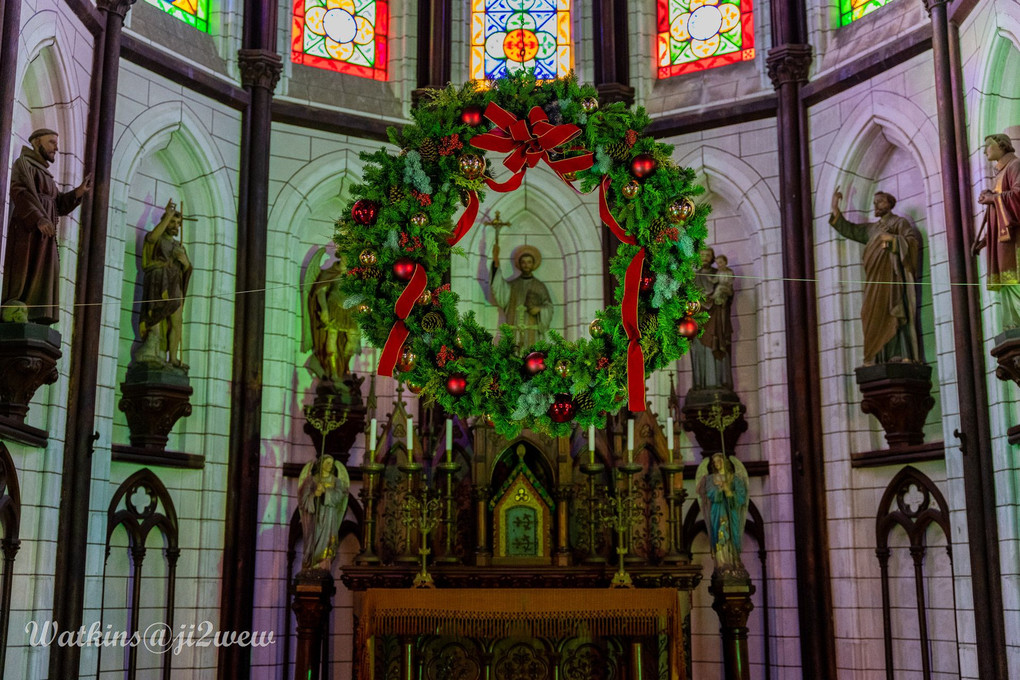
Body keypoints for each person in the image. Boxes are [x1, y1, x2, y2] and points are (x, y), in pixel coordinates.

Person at [2, 128, 92, 324]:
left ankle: (37, 313)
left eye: (56, 143)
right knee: (26, 268)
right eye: (51, 142)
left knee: (45, 271)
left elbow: (57, 204)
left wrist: (78, 192)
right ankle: (18, 305)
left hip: (45, 234)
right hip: (29, 231)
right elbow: (19, 192)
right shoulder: (25, 165)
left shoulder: (46, 175)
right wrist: (38, 218)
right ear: (36, 142)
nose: (56, 148)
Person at [830, 188, 922, 365]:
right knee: (869, 313)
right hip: (874, 281)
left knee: (893, 311)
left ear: (890, 203)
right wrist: (835, 208)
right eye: (875, 203)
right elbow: (851, 230)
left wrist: (893, 241)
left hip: (891, 279)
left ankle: (900, 354)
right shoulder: (871, 229)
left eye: (880, 201)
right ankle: (878, 356)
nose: (876, 205)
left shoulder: (899, 223)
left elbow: (911, 242)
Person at [135, 199, 192, 370]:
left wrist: (185, 262)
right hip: (158, 284)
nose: (176, 226)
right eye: (173, 222)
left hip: (174, 286)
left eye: (178, 223)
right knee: (157, 315)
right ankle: (151, 352)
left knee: (177, 322)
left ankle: (173, 358)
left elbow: (187, 269)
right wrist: (167, 216)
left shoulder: (179, 245)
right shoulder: (158, 238)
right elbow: (150, 239)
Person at [972, 133, 1020, 330]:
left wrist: (993, 198)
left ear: (1002, 146)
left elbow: (1018, 195)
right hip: (1002, 243)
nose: (985, 151)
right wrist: (985, 240)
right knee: (1009, 284)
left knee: (1016, 280)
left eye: (988, 146)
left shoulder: (1015, 166)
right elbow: (997, 217)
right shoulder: (1000, 173)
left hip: (1015, 242)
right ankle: (1013, 326)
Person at [301, 248, 360, 383]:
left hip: (349, 310)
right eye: (346, 255)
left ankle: (344, 366)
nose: (348, 259)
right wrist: (325, 310)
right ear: (341, 256)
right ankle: (333, 371)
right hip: (333, 306)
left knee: (353, 335)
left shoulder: (353, 275)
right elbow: (320, 292)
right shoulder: (330, 273)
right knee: (332, 336)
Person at [490, 243, 553, 348]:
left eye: (529, 262)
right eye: (523, 262)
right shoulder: (512, 285)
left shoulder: (539, 286)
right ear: (519, 264)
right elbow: (499, 289)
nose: (526, 265)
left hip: (533, 333)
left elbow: (549, 306)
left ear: (533, 264)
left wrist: (539, 309)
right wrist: (496, 263)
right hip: (514, 333)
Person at [695, 452, 749, 572]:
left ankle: (734, 560)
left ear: (724, 462)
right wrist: (719, 489)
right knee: (720, 533)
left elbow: (741, 497)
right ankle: (722, 562)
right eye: (714, 462)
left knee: (732, 532)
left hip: (731, 510)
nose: (717, 464)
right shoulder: (710, 479)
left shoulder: (734, 478)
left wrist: (729, 491)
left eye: (719, 461)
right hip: (718, 510)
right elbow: (709, 494)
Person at [691, 247, 734, 389]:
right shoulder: (693, 276)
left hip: (716, 318)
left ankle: (721, 383)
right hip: (699, 320)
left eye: (708, 255)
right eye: (702, 255)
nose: (704, 258)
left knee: (718, 347)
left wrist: (722, 298)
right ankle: (700, 384)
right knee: (699, 350)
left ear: (713, 258)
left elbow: (728, 294)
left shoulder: (718, 274)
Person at [297, 454, 350, 571]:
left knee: (327, 541)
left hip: (329, 517)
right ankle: (311, 564)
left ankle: (322, 564)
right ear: (320, 464)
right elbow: (303, 500)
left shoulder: (336, 481)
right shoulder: (311, 480)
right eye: (327, 463)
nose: (330, 466)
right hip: (314, 516)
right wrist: (315, 495)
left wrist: (326, 492)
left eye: (331, 463)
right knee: (313, 539)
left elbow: (339, 497)